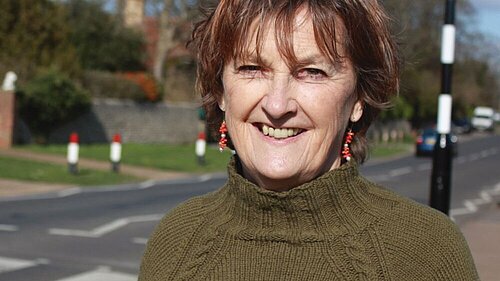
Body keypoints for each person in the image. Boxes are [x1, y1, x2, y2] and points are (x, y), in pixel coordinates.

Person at [139, 0, 479, 280]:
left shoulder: (426, 251)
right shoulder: (176, 240)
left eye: (311, 72)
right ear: (221, 91)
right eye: (252, 68)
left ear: (359, 98)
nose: (276, 105)